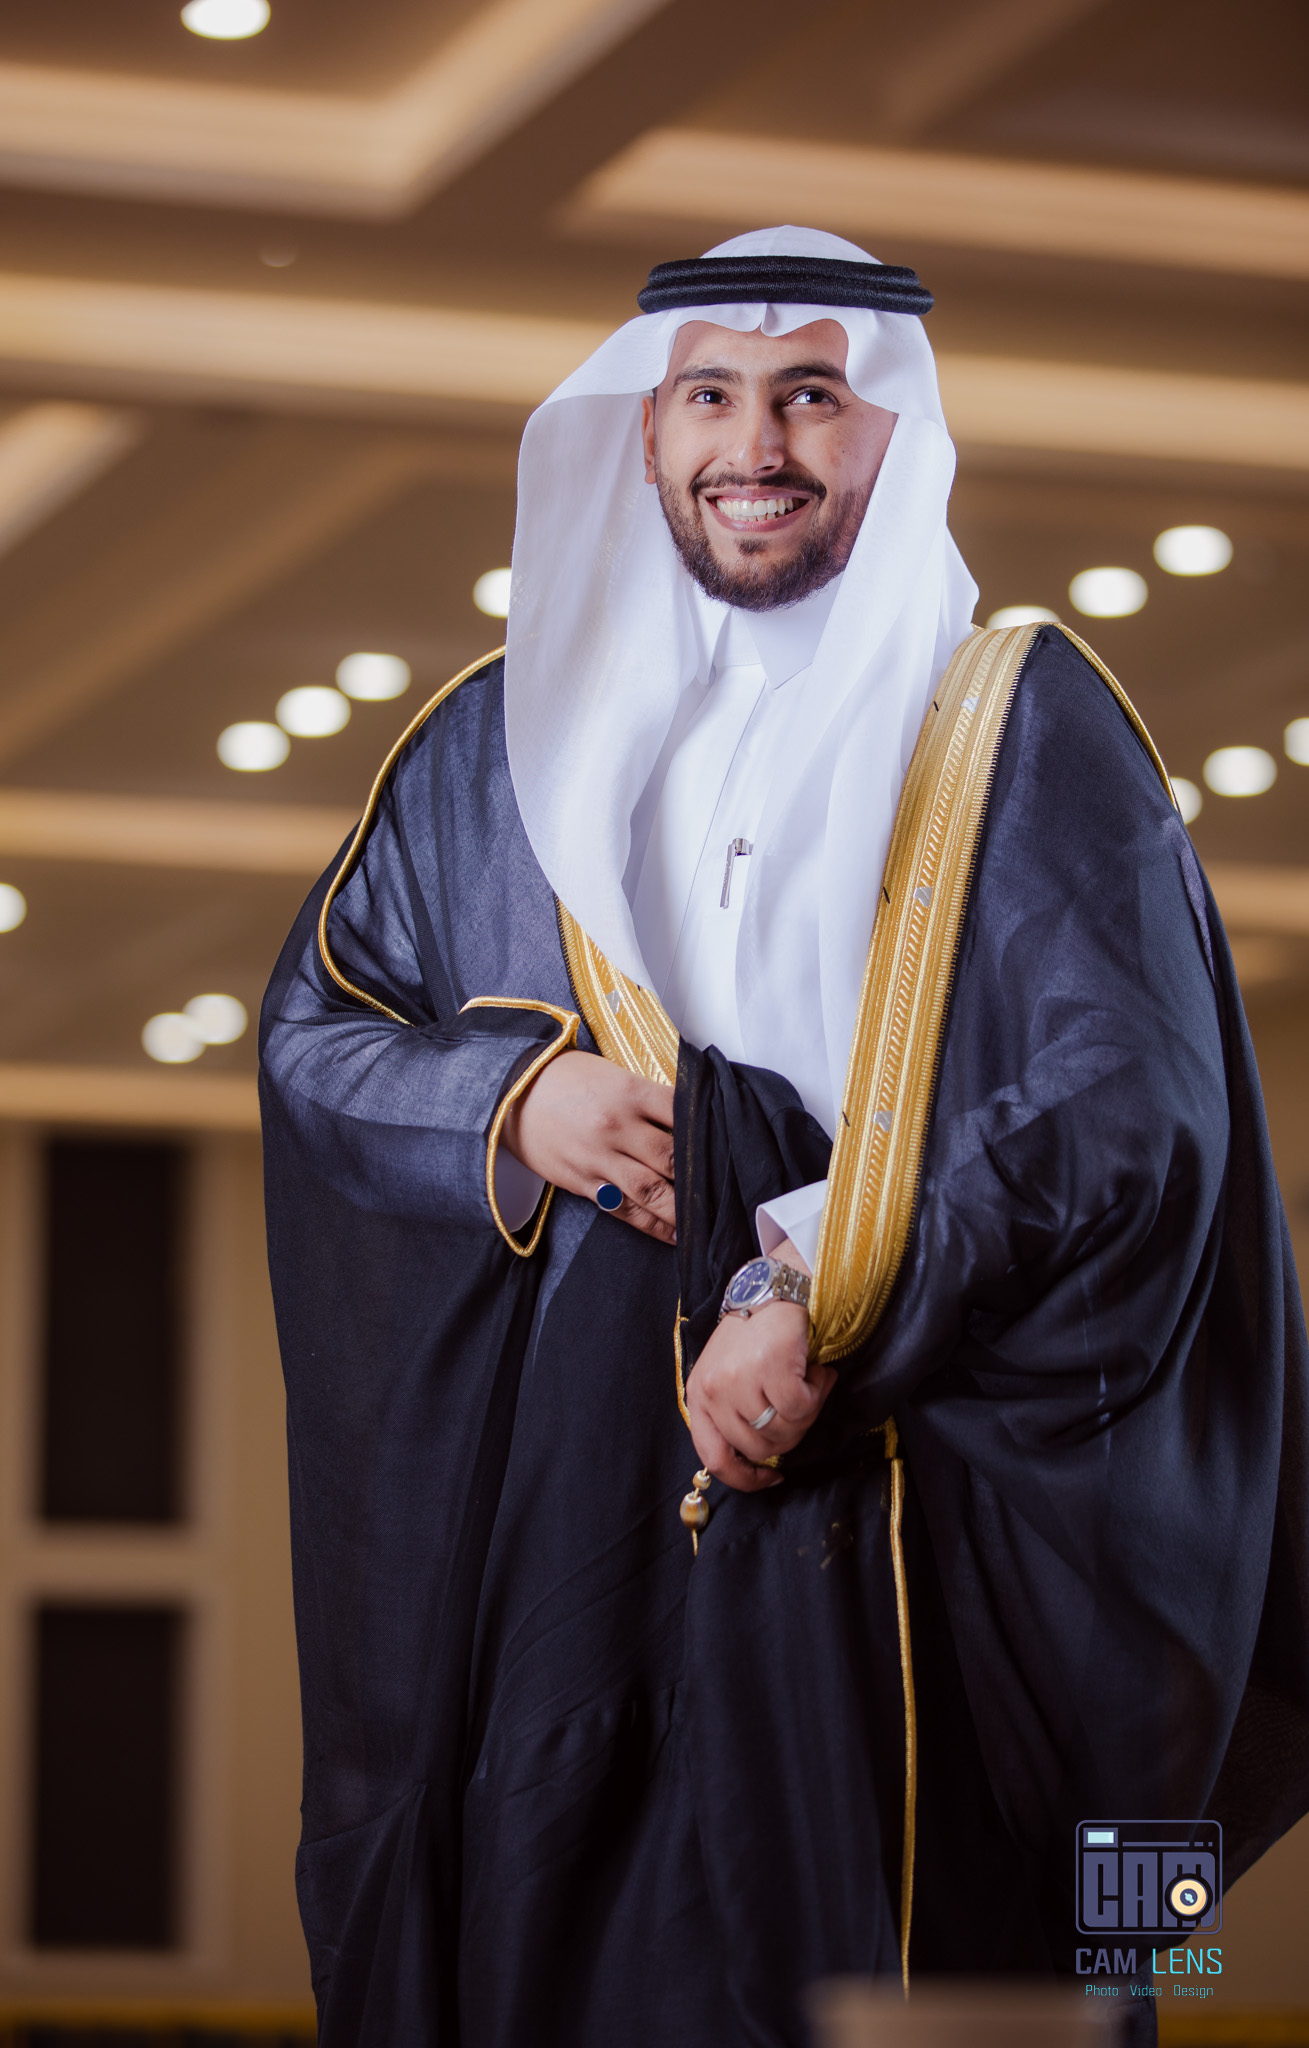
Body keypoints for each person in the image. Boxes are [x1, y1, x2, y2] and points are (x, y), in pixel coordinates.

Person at [259, 227, 1309, 2048]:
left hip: (910, 1488)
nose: (756, 445)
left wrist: (820, 1273)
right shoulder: (484, 752)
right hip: (577, 1515)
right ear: (644, 428)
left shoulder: (1018, 723)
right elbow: (316, 1036)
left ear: (889, 426)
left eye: (810, 395)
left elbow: (1120, 1100)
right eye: (711, 397)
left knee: (922, 1951)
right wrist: (515, 1101)